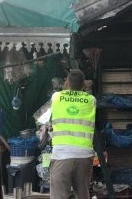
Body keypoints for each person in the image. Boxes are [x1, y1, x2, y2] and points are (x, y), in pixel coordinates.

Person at [50, 70, 96, 199]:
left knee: (59, 196)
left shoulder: (56, 97)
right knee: (82, 195)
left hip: (62, 155)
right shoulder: (91, 100)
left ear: (67, 83)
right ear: (84, 85)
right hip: (84, 156)